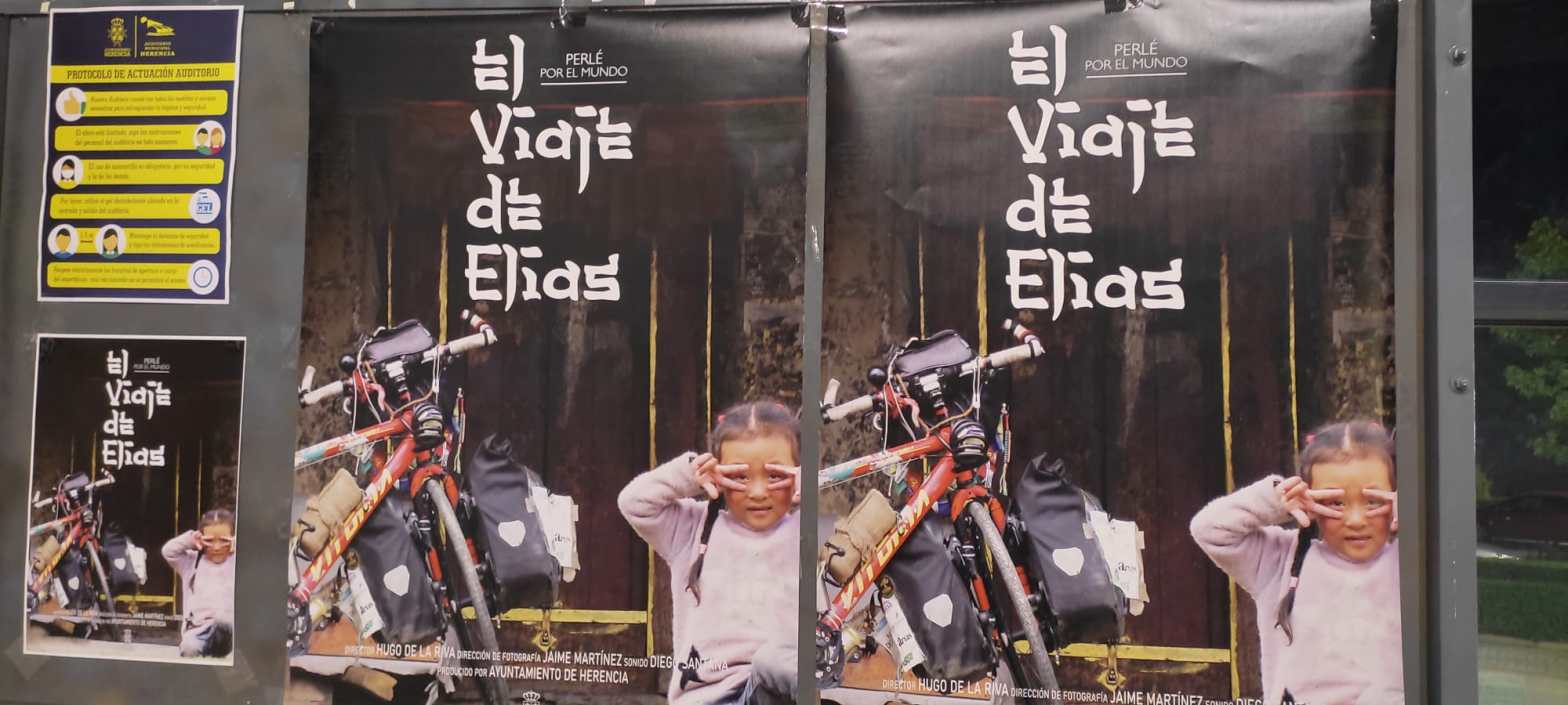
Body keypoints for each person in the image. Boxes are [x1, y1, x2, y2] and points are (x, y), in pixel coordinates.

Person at [1190, 420, 1402, 705]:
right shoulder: (1281, 560)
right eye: (1336, 503)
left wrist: (1419, 513)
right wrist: (1276, 500)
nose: (1355, 520)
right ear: (1310, 499)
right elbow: (1209, 529)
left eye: (1373, 502)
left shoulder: (1413, 564)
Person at [619, 401, 801, 705]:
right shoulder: (693, 527)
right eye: (740, 477)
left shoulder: (804, 534)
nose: (758, 492)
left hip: (780, 692)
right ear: (718, 475)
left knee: (777, 664)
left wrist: (815, 485)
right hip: (709, 698)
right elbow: (634, 503)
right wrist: (692, 474)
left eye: (774, 476)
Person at [162, 508, 236, 658]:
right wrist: (190, 540)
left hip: (231, 629)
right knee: (189, 649)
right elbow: (168, 551)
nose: (216, 547)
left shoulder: (238, 561)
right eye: (209, 540)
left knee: (224, 626)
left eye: (224, 540)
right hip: (199, 629)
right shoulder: (191, 561)